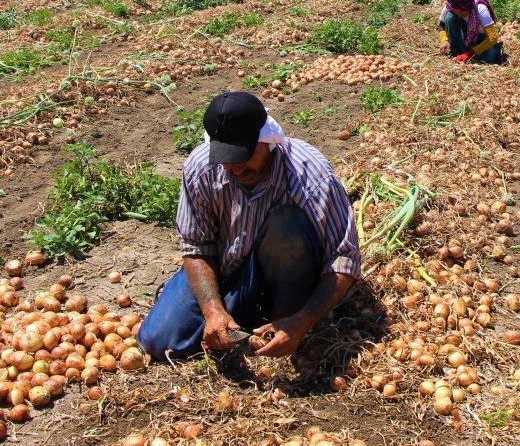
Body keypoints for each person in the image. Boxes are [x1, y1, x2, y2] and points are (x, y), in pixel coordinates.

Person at [136, 92, 361, 360]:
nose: (236, 169)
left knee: (286, 225)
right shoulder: (201, 169)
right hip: (229, 269)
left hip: (289, 274)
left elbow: (344, 260)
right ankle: (238, 312)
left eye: (244, 157)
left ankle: (285, 316)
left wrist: (301, 321)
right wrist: (212, 309)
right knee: (158, 340)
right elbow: (196, 246)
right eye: (227, 158)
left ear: (267, 141)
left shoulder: (309, 173)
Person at [438, 0, 503, 64]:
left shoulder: (481, 9)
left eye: (463, 12)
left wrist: (470, 53)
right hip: (464, 35)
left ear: (468, 7)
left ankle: (467, 53)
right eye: (457, 11)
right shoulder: (450, 6)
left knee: (491, 56)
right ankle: (457, 52)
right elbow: (440, 26)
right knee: (450, 17)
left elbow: (492, 38)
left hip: (480, 38)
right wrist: (444, 41)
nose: (460, 14)